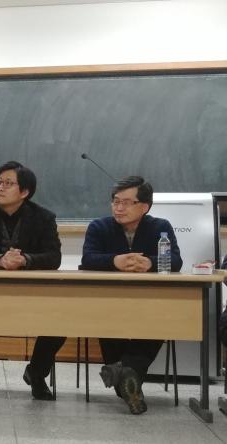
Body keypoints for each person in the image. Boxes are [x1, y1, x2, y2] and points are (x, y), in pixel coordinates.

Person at [0, 161, 64, 401]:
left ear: (25, 192)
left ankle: (37, 373)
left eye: (8, 183)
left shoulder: (43, 218)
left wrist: (24, 259)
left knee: (61, 320)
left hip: (33, 292)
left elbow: (54, 257)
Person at [80, 176, 182, 415]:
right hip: (108, 301)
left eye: (126, 202)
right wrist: (114, 261)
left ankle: (121, 371)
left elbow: (176, 261)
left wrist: (150, 263)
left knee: (158, 322)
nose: (119, 207)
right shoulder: (99, 226)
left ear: (144, 206)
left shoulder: (160, 227)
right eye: (115, 201)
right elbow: (88, 259)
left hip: (150, 302)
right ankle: (128, 374)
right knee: (108, 321)